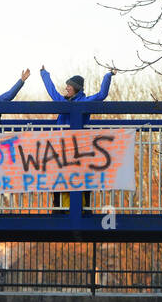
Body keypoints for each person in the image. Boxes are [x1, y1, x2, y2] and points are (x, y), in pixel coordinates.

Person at [39, 65, 115, 212]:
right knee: (59, 179)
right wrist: (44, 74)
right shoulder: (63, 102)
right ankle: (59, 210)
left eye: (69, 85)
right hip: (61, 148)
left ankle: (83, 211)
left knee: (80, 180)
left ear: (75, 88)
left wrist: (108, 75)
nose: (66, 87)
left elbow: (102, 95)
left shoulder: (85, 102)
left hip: (79, 149)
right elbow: (52, 91)